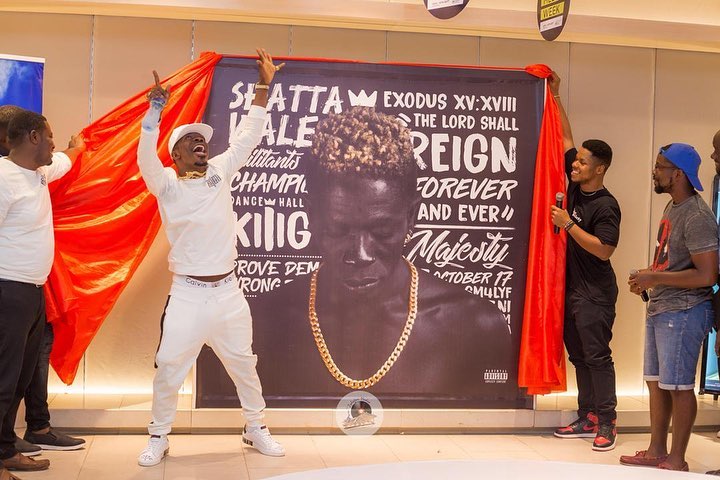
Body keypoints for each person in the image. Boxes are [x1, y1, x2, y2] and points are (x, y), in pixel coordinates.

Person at [246, 106, 516, 408]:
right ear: (311, 215)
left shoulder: (474, 326)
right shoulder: (258, 323)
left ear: (411, 217)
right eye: (339, 229)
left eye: (382, 231)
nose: (360, 254)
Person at [135, 49, 286, 467]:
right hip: (187, 294)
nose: (200, 143)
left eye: (201, 139)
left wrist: (263, 85)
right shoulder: (166, 184)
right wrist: (155, 111)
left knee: (244, 364)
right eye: (190, 141)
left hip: (228, 293)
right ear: (176, 155)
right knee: (169, 365)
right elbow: (145, 157)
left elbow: (248, 136)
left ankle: (256, 428)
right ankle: (158, 436)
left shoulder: (220, 171)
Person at [620, 143, 718, 472]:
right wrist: (648, 278)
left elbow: (707, 275)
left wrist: (654, 277)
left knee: (678, 387)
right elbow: (672, 263)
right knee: (656, 382)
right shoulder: (673, 206)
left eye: (660, 166)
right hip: (663, 307)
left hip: (685, 311)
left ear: (677, 174)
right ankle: (656, 449)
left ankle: (677, 458)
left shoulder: (697, 215)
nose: (654, 172)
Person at [0, 106, 86, 459]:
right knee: (5, 379)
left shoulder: (37, 173)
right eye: (49, 136)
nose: (53, 143)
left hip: (31, 293)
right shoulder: (4, 178)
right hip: (9, 291)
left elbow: (65, 159)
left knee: (18, 378)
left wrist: (77, 148)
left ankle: (6, 449)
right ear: (33, 137)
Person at [548, 72, 621, 451]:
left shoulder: (606, 205)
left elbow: (604, 249)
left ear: (600, 169)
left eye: (581, 163)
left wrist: (568, 224)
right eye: (575, 162)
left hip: (595, 293)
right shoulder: (575, 186)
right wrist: (556, 96)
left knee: (597, 357)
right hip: (573, 290)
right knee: (579, 356)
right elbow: (565, 138)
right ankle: (587, 415)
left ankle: (608, 422)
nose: (574, 165)